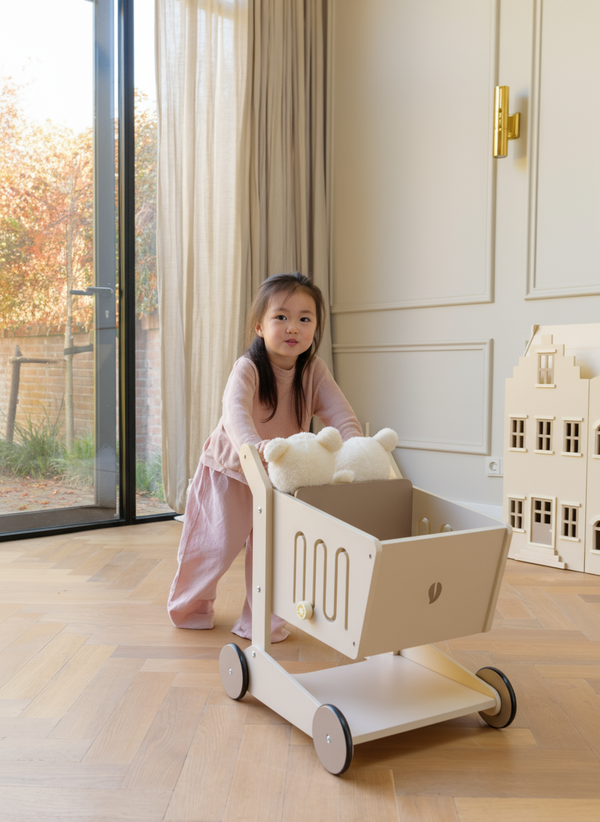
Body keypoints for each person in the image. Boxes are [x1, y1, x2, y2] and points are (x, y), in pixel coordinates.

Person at [167, 272, 363, 641]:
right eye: (281, 317)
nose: (293, 328)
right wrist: (253, 446)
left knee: (275, 553)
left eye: (305, 319)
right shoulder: (249, 368)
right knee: (213, 546)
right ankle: (189, 607)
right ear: (260, 326)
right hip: (231, 471)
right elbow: (235, 413)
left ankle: (262, 623)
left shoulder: (314, 371)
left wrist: (357, 449)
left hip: (281, 477)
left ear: (316, 327)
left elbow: (342, 416)